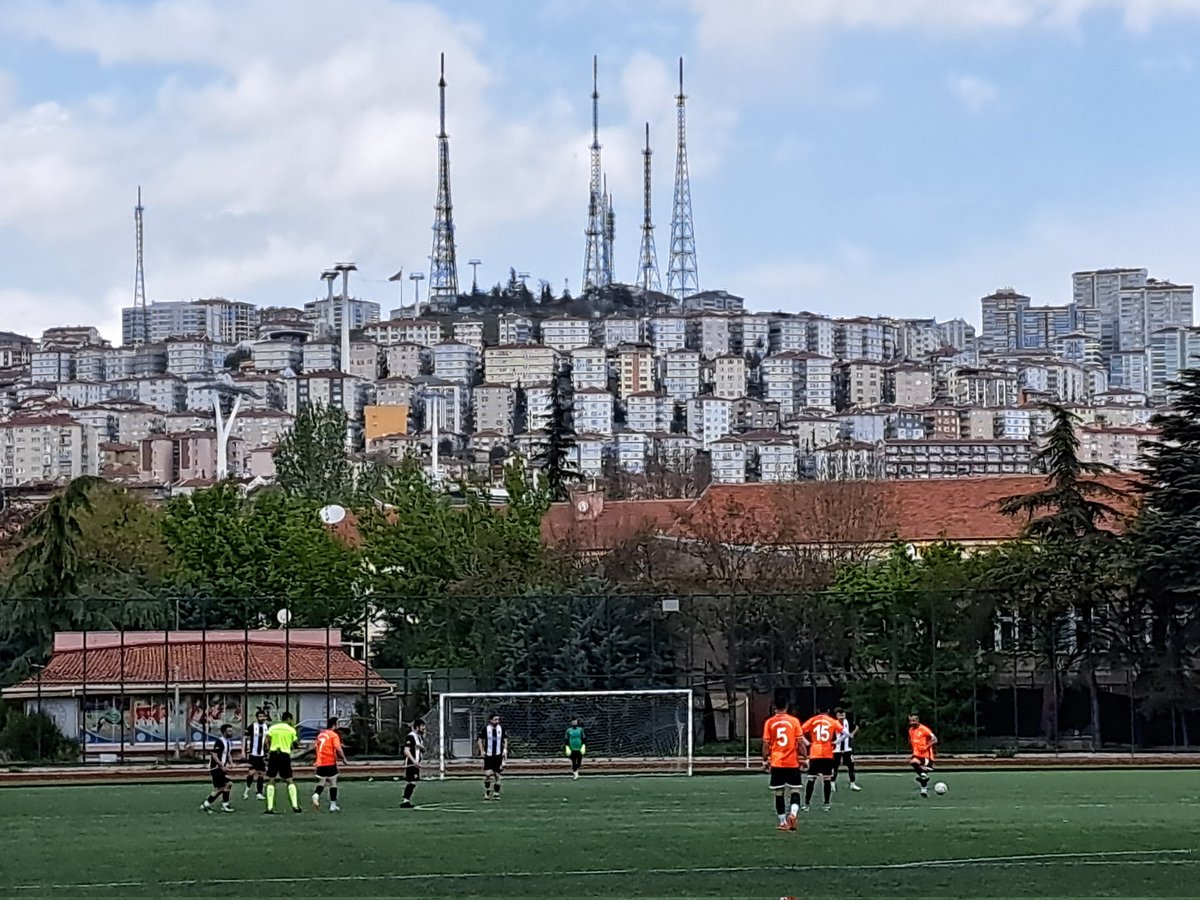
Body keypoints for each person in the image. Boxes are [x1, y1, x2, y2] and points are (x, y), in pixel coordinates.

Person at [762, 693, 806, 831]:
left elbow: (765, 744)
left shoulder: (769, 722)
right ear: (787, 707)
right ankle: (793, 814)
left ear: (775, 707)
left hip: (776, 762)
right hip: (792, 762)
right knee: (795, 790)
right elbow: (800, 743)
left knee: (779, 792)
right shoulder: (794, 721)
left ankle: (782, 822)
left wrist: (765, 759)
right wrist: (805, 757)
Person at [801, 707, 843, 812]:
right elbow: (845, 733)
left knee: (811, 779)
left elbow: (799, 732)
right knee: (827, 779)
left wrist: (807, 743)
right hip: (827, 753)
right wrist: (836, 742)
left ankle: (806, 804)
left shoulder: (812, 720)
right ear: (828, 711)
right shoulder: (832, 721)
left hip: (815, 752)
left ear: (818, 711)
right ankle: (826, 804)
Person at [263, 711, 302, 814]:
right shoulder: (291, 730)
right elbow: (296, 744)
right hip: (285, 755)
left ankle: (270, 807)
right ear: (289, 719)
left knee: (271, 780)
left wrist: (268, 750)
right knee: (289, 780)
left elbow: (266, 740)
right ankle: (295, 805)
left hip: (274, 754)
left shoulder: (273, 728)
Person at [311, 716, 347, 813]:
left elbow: (316, 747)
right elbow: (338, 748)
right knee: (333, 782)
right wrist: (344, 758)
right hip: (329, 761)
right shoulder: (333, 735)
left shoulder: (321, 735)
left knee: (321, 782)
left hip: (320, 762)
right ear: (334, 724)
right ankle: (333, 805)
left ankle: (316, 795)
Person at [201, 723, 236, 814]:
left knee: (225, 786)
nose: (231, 732)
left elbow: (227, 754)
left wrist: (231, 763)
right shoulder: (220, 742)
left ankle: (211, 804)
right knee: (224, 786)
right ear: (224, 732)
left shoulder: (228, 742)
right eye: (229, 731)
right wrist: (222, 766)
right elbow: (214, 754)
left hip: (220, 768)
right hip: (216, 768)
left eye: (231, 731)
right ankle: (209, 804)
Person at [476, 713, 507, 801]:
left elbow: (505, 739)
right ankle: (487, 790)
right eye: (495, 719)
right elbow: (480, 739)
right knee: (488, 774)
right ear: (491, 720)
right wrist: (482, 750)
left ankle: (496, 793)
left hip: (498, 755)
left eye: (498, 719)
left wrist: (505, 749)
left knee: (497, 775)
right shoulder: (486, 729)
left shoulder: (501, 729)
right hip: (489, 755)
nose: (497, 721)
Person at [908, 713, 938, 798]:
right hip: (916, 754)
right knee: (914, 764)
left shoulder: (924, 729)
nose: (911, 722)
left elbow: (935, 739)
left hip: (926, 755)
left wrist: (926, 746)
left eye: (913, 720)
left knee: (922, 773)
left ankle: (924, 788)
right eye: (910, 721)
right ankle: (924, 779)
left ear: (917, 720)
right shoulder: (910, 730)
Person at [831, 708, 861, 792]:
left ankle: (852, 783)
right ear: (836, 716)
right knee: (834, 767)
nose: (841, 717)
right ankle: (832, 783)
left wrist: (852, 734)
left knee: (851, 766)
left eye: (843, 715)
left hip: (847, 749)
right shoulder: (833, 723)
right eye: (839, 715)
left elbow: (856, 727)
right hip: (836, 750)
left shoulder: (847, 722)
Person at [243, 708, 270, 801]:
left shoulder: (267, 726)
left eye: (263, 716)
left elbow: (266, 739)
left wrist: (268, 749)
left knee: (261, 774)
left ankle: (259, 792)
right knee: (251, 773)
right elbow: (245, 738)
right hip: (253, 754)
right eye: (260, 716)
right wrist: (243, 750)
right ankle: (246, 790)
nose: (262, 718)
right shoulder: (252, 726)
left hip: (261, 754)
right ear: (257, 717)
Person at [401, 718, 426, 809]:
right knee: (413, 781)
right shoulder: (411, 736)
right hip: (412, 763)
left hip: (416, 763)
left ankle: (406, 800)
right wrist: (414, 761)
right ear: (417, 727)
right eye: (422, 726)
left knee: (413, 781)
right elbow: (406, 750)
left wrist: (422, 748)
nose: (424, 728)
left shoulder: (419, 737)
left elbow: (418, 749)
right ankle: (405, 801)